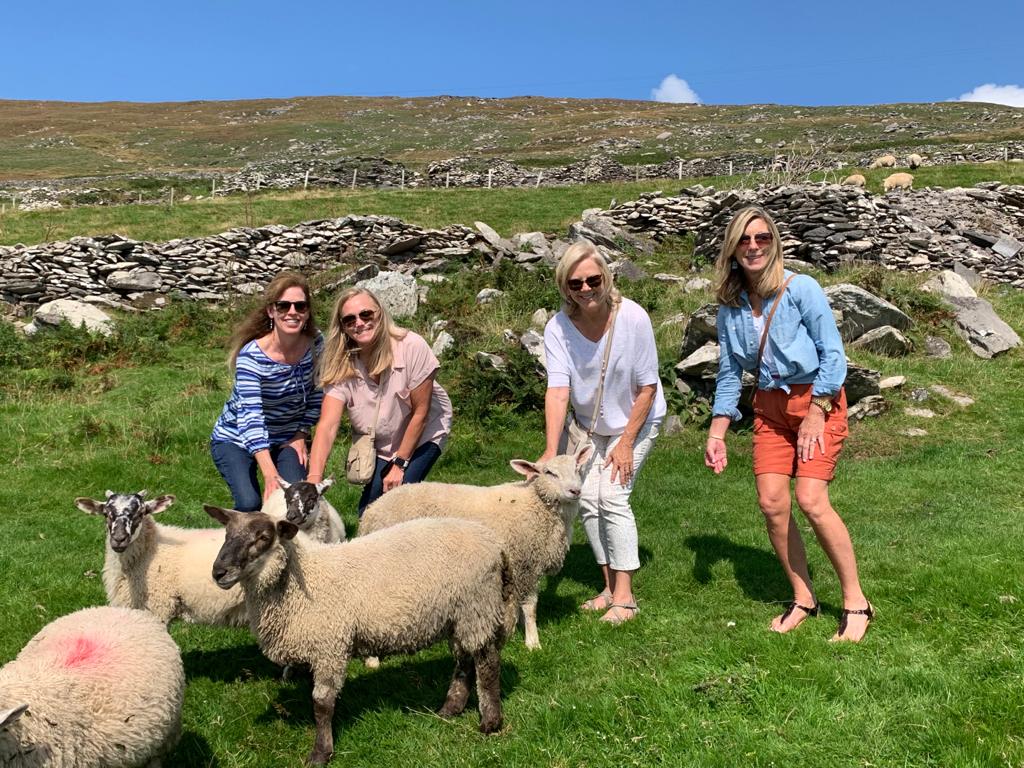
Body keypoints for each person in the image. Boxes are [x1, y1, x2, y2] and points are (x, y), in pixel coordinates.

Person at [705, 206, 873, 642]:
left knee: (812, 499)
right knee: (772, 503)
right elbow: (728, 373)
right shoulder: (730, 308)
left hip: (814, 399)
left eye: (761, 237)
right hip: (769, 408)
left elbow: (833, 354)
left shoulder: (802, 289)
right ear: (733, 249)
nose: (754, 246)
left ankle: (856, 601)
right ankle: (804, 597)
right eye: (744, 240)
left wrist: (818, 409)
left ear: (773, 241)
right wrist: (717, 432)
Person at [540, 240, 666, 625]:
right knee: (587, 500)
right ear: (565, 288)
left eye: (593, 280)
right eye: (575, 284)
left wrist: (627, 442)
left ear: (606, 278)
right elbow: (558, 390)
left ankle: (625, 598)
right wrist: (550, 451)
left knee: (611, 495)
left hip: (636, 420)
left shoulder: (633, 318)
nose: (585, 289)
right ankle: (608, 587)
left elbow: (647, 387)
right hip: (590, 427)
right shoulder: (558, 328)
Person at [307, 287, 452, 515]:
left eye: (366, 314)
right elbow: (327, 426)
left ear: (380, 314)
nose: (359, 323)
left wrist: (400, 465)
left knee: (398, 501)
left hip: (424, 433)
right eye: (349, 319)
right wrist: (313, 482)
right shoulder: (341, 362)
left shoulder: (411, 346)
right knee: (368, 512)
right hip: (383, 444)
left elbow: (421, 413)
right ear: (342, 327)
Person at [210, 272, 324, 512]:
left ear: (307, 311)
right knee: (249, 504)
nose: (292, 312)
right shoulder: (252, 357)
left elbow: (318, 393)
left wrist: (302, 433)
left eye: (300, 306)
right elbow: (251, 417)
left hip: (288, 436)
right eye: (283, 306)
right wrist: (270, 474)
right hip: (236, 438)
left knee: (292, 501)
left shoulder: (316, 344)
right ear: (271, 311)